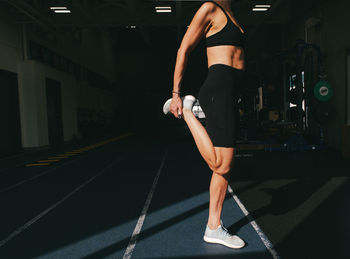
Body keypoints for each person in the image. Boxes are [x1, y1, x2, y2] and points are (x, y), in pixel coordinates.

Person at [163, 0, 246, 249]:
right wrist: (176, 93)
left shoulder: (231, 12)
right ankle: (187, 111)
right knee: (221, 163)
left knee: (224, 170)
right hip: (218, 89)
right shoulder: (209, 8)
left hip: (229, 92)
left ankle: (213, 227)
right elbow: (183, 49)